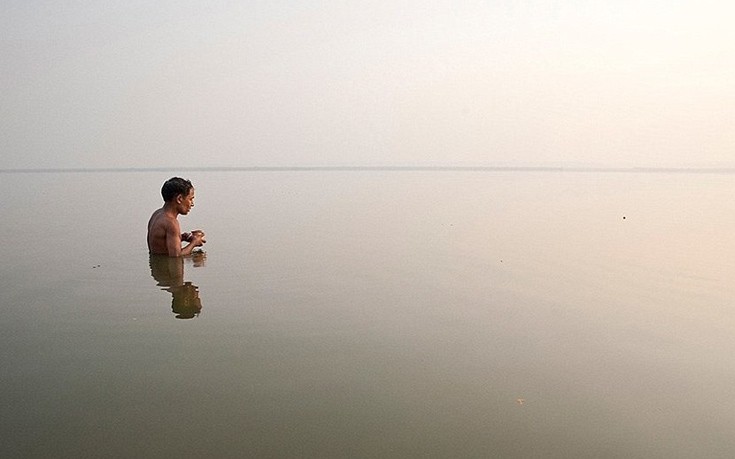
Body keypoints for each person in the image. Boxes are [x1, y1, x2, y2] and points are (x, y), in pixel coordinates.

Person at [147, 177, 206, 256]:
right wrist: (194, 243)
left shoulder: (157, 214)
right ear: (179, 199)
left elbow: (161, 242)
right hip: (166, 268)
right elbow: (176, 256)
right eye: (190, 199)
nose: (192, 204)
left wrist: (182, 237)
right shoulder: (171, 222)